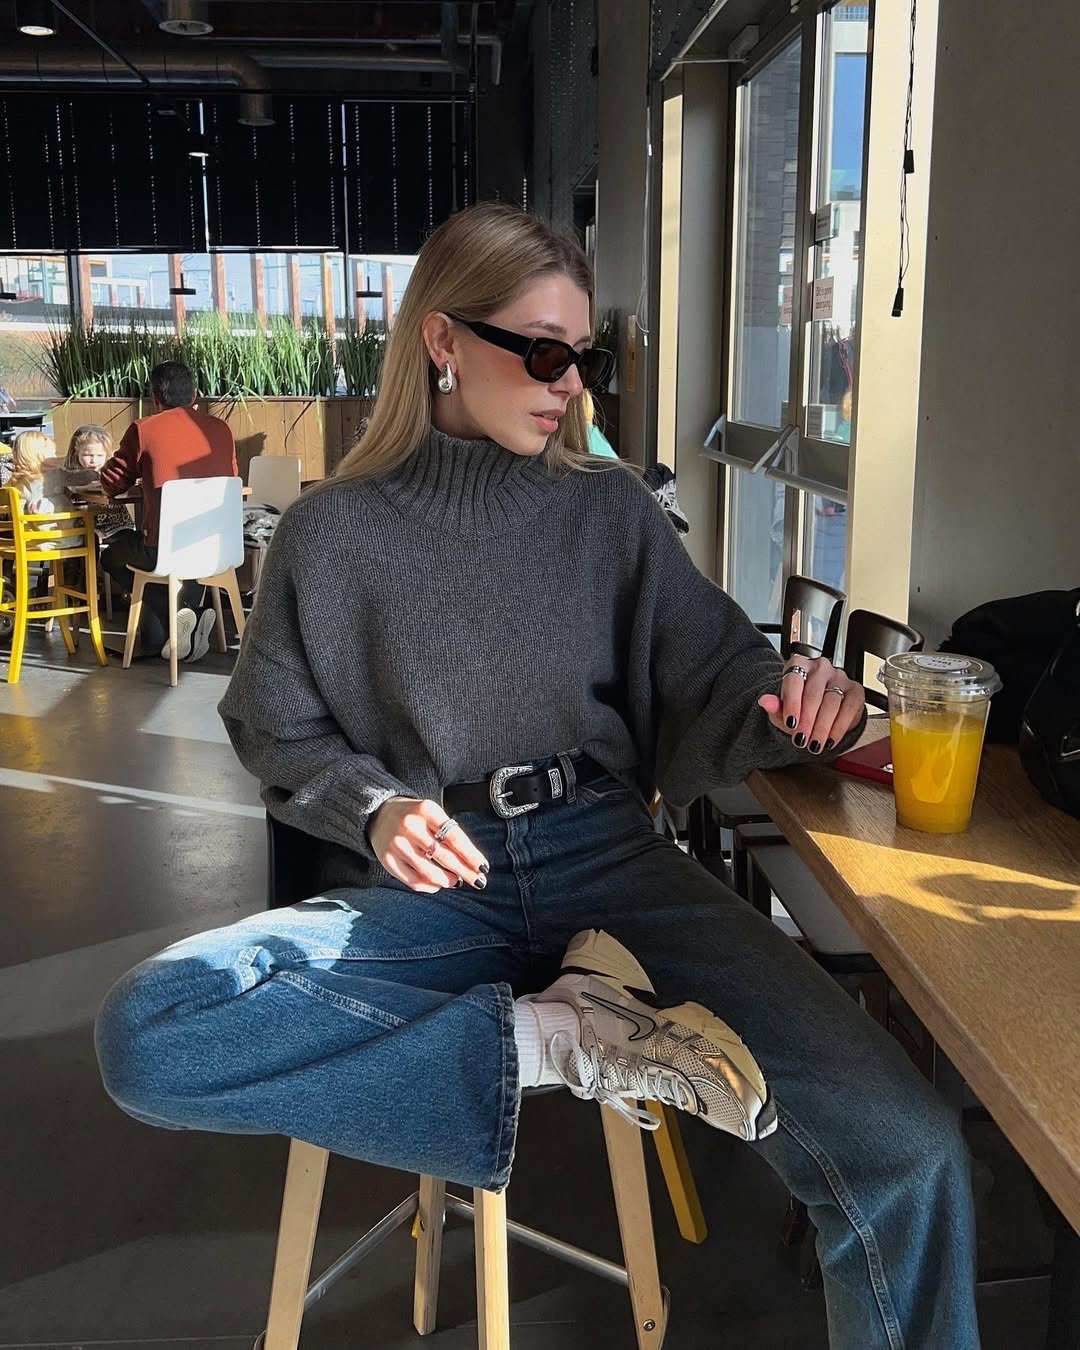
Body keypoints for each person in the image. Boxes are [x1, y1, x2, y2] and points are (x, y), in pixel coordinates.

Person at [95, 205, 978, 1350]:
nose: (568, 385)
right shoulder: (332, 535)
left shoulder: (609, 511)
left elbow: (715, 675)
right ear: (443, 340)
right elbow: (276, 726)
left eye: (582, 358)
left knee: (910, 1148)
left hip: (608, 858)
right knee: (152, 1032)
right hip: (435, 884)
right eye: (543, 352)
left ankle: (567, 1030)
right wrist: (375, 805)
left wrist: (803, 704)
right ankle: (556, 1040)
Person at [98, 362, 237, 664]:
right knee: (166, 580)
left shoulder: (144, 429)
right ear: (194, 394)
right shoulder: (221, 430)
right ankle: (183, 624)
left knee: (110, 556)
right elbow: (232, 476)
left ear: (154, 397)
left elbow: (113, 483)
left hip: (164, 550)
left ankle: (176, 616)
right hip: (217, 548)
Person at [62, 425, 130, 541]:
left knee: (130, 538)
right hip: (85, 525)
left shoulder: (109, 473)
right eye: (87, 455)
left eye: (99, 455)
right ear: (76, 453)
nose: (93, 460)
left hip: (116, 524)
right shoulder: (71, 476)